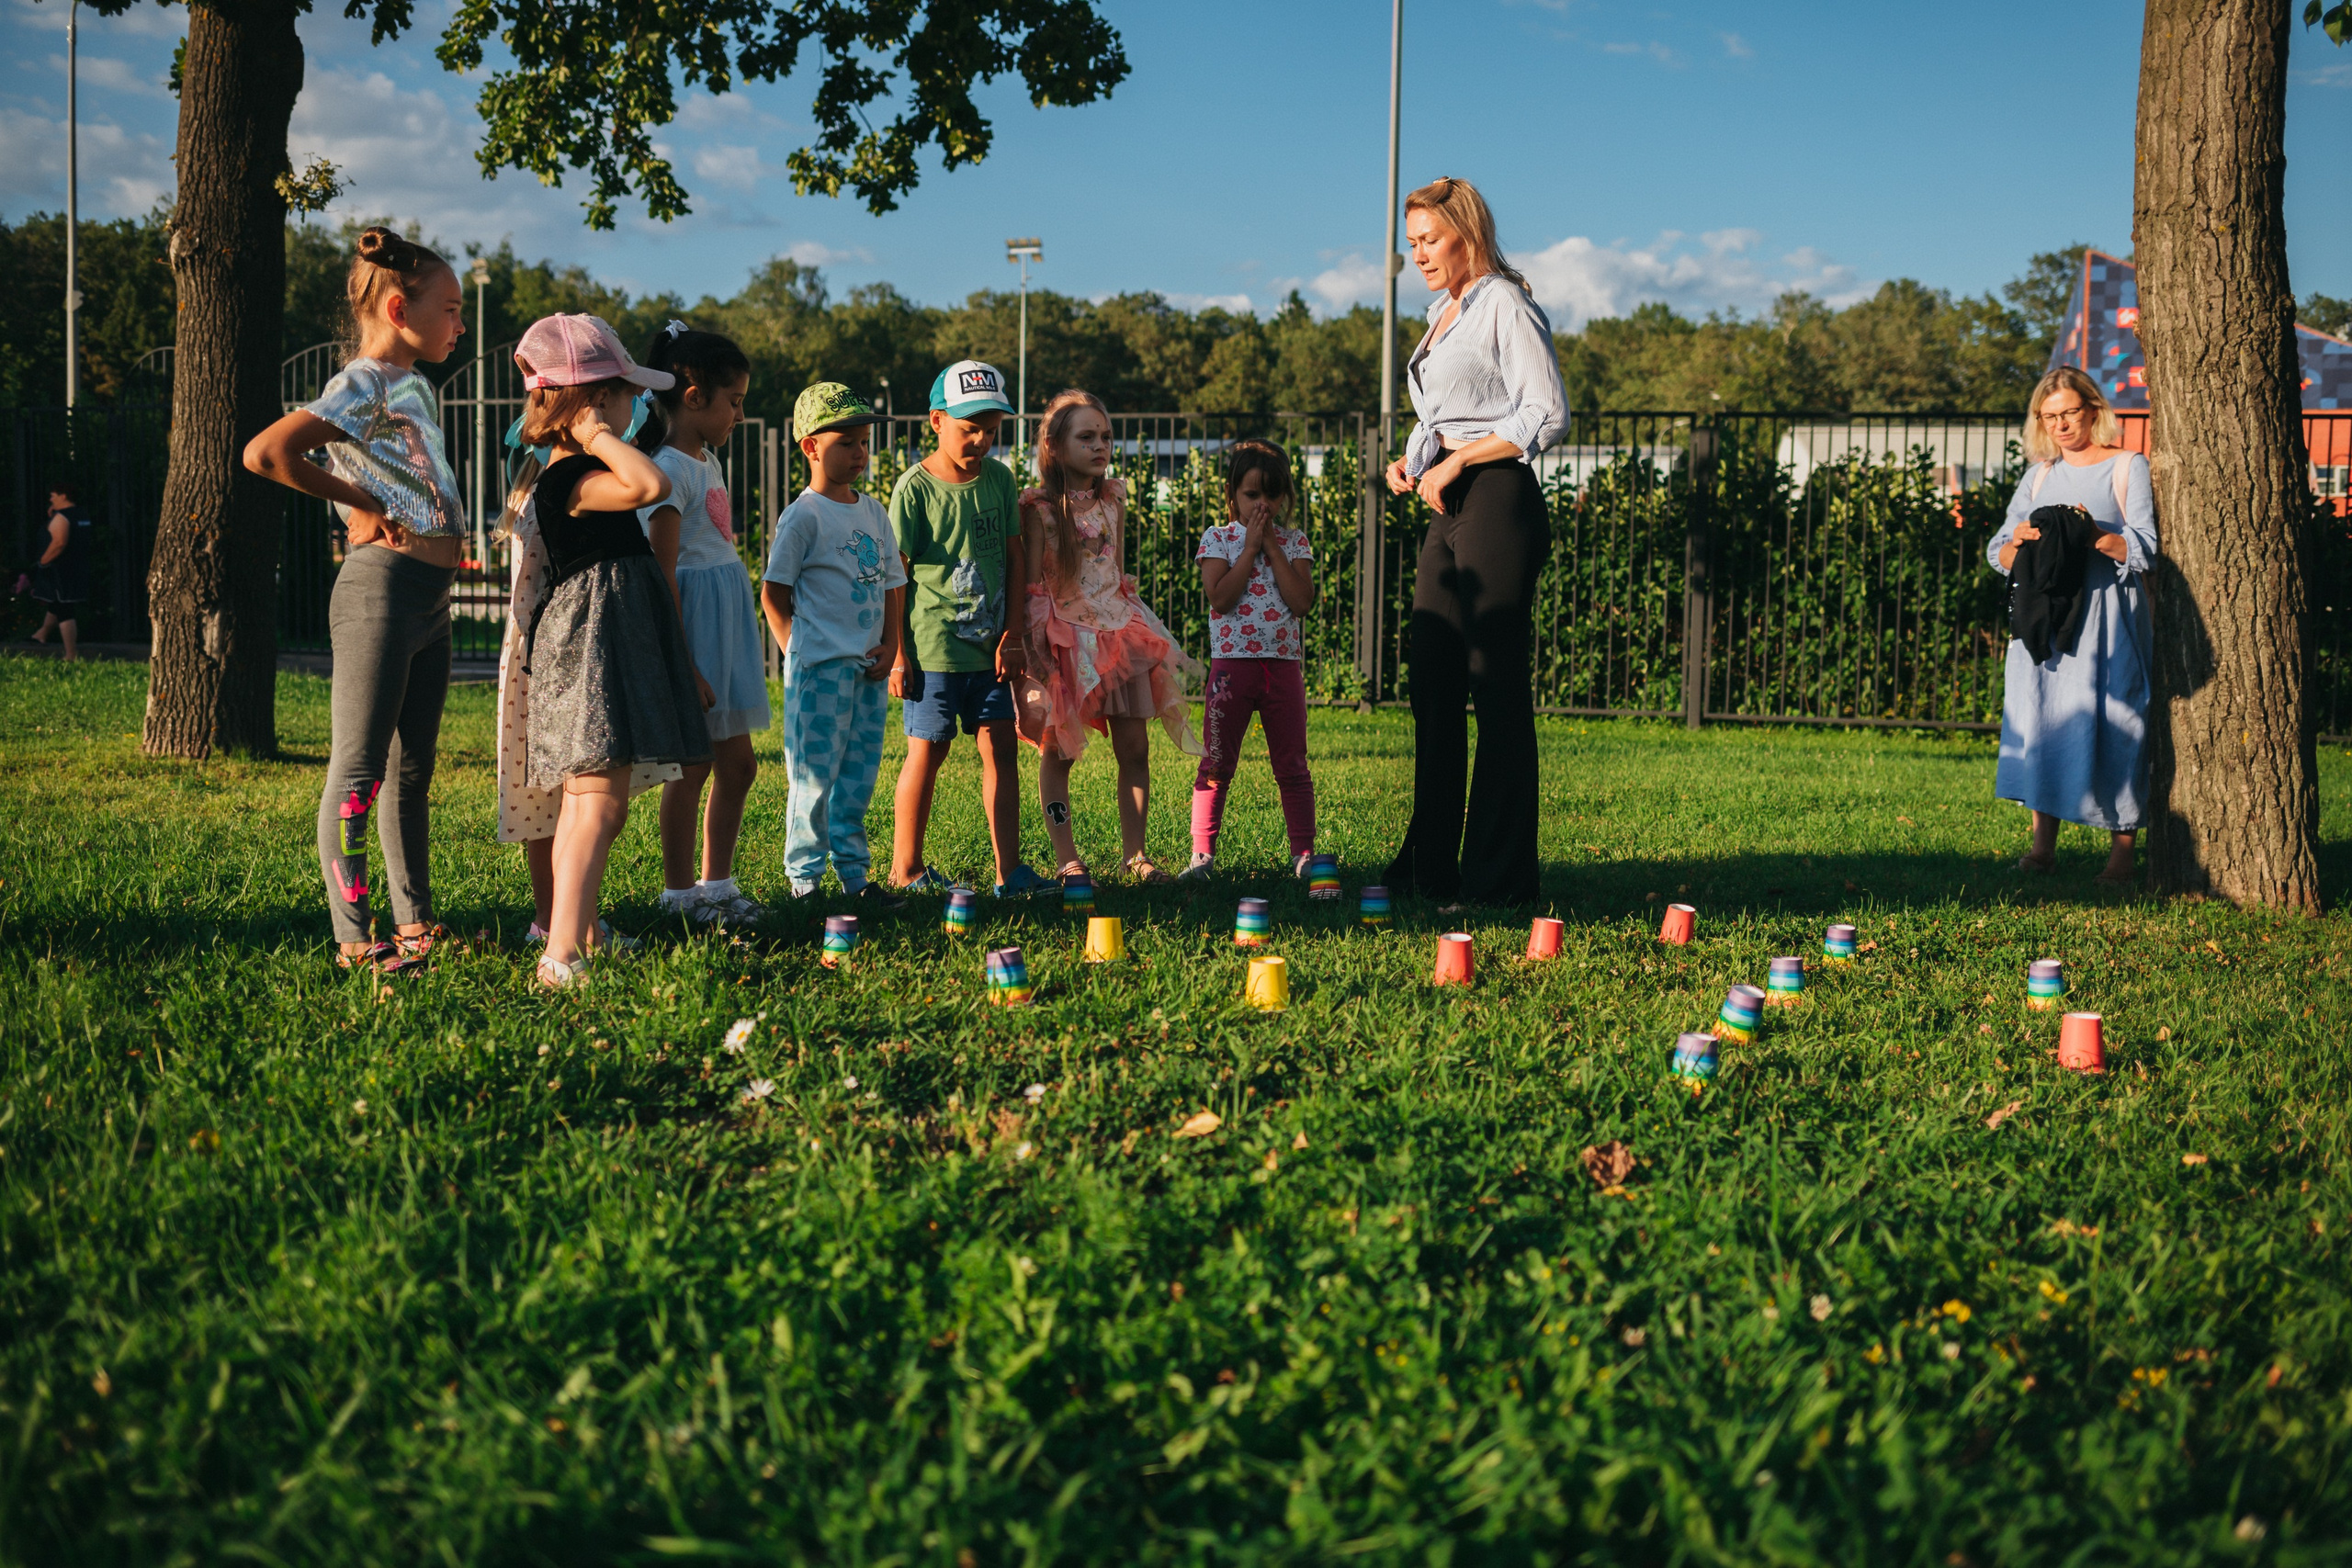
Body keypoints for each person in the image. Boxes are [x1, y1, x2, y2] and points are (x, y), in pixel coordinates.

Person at [243, 225, 469, 976]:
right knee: (360, 769)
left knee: (411, 772)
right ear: (400, 309)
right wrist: (360, 503)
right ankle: (353, 939)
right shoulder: (365, 380)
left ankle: (416, 925)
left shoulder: (414, 385)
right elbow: (267, 452)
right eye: (450, 310)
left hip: (429, 597)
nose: (460, 325)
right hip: (381, 589)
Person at [1381, 175, 1568, 910]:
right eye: (1413, 244)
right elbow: (1446, 415)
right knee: (1432, 680)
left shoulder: (1504, 303)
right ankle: (1429, 866)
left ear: (1468, 233)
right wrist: (1415, 458)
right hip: (1449, 498)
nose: (1420, 255)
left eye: (1430, 239)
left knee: (1495, 684)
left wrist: (1461, 461)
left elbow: (1545, 412)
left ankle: (1500, 880)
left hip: (1498, 497)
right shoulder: (1443, 314)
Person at [507, 313, 709, 987]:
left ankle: (577, 934)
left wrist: (598, 434)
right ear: (594, 399)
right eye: (626, 393)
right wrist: (595, 433)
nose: (637, 406)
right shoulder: (568, 476)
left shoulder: (576, 469)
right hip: (592, 647)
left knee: (589, 802)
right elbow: (650, 487)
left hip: (608, 640)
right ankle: (563, 951)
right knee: (598, 802)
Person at [1012, 389, 1203, 886]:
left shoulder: (1113, 500)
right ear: (1054, 446)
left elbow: (1116, 574)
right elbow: (1033, 588)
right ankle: (1067, 859)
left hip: (1121, 636)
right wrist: (1037, 655)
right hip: (1067, 641)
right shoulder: (1039, 509)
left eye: (1106, 436)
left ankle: (1135, 855)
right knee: (1059, 753)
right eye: (1086, 437)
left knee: (1135, 749)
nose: (1100, 446)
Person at [886, 359, 1055, 898]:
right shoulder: (913, 489)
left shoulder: (1000, 480)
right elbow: (895, 576)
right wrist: (898, 654)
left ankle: (1010, 872)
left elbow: (1015, 557)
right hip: (932, 652)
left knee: (1001, 749)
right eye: (969, 428)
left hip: (992, 653)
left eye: (991, 430)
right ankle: (906, 869)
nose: (981, 440)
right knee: (927, 751)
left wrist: (1014, 634)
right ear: (936, 421)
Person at [1988, 366, 2157, 884]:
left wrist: (2092, 535)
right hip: (2047, 621)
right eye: (2049, 416)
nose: (2060, 424)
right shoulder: (2039, 475)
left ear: (2093, 410)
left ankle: (2121, 859)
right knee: (2044, 720)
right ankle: (2042, 850)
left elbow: (2146, 549)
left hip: (2108, 620)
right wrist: (2020, 539)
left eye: (2069, 412)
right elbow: (1999, 553)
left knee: (2120, 722)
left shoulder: (2128, 465)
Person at [632, 321, 770, 928]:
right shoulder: (666, 471)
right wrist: (684, 664)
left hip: (726, 625)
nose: (740, 414)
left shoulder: (707, 460)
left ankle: (719, 884)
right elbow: (663, 575)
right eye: (733, 401)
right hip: (694, 629)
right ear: (693, 397)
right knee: (692, 766)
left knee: (739, 765)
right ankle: (680, 894)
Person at [761, 383, 908, 905]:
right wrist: (798, 650)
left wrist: (891, 644)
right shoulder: (804, 516)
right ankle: (805, 882)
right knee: (814, 776)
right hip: (819, 671)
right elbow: (773, 593)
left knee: (857, 777)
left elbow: (893, 582)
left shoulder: (873, 512)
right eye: (846, 442)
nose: (859, 453)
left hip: (868, 671)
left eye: (863, 442)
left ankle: (855, 877)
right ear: (811, 447)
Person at [1183, 440, 1317, 880]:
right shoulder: (1218, 539)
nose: (1263, 505)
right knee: (1216, 763)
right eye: (1252, 494)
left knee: (1292, 764)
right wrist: (1249, 549)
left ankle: (1303, 853)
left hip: (1282, 669)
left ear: (1286, 497)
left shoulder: (1295, 543)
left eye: (1272, 495)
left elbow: (1301, 602)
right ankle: (1202, 855)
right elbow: (1220, 598)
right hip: (1231, 671)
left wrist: (1273, 549)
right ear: (1232, 495)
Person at [27, 483, 95, 661]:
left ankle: (71, 654)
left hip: (60, 570)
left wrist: (43, 561)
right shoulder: (81, 515)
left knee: (64, 609)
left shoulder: (62, 518)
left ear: (63, 496)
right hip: (77, 567)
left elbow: (59, 543)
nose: (51, 499)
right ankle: (42, 633)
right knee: (57, 603)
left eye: (53, 496)